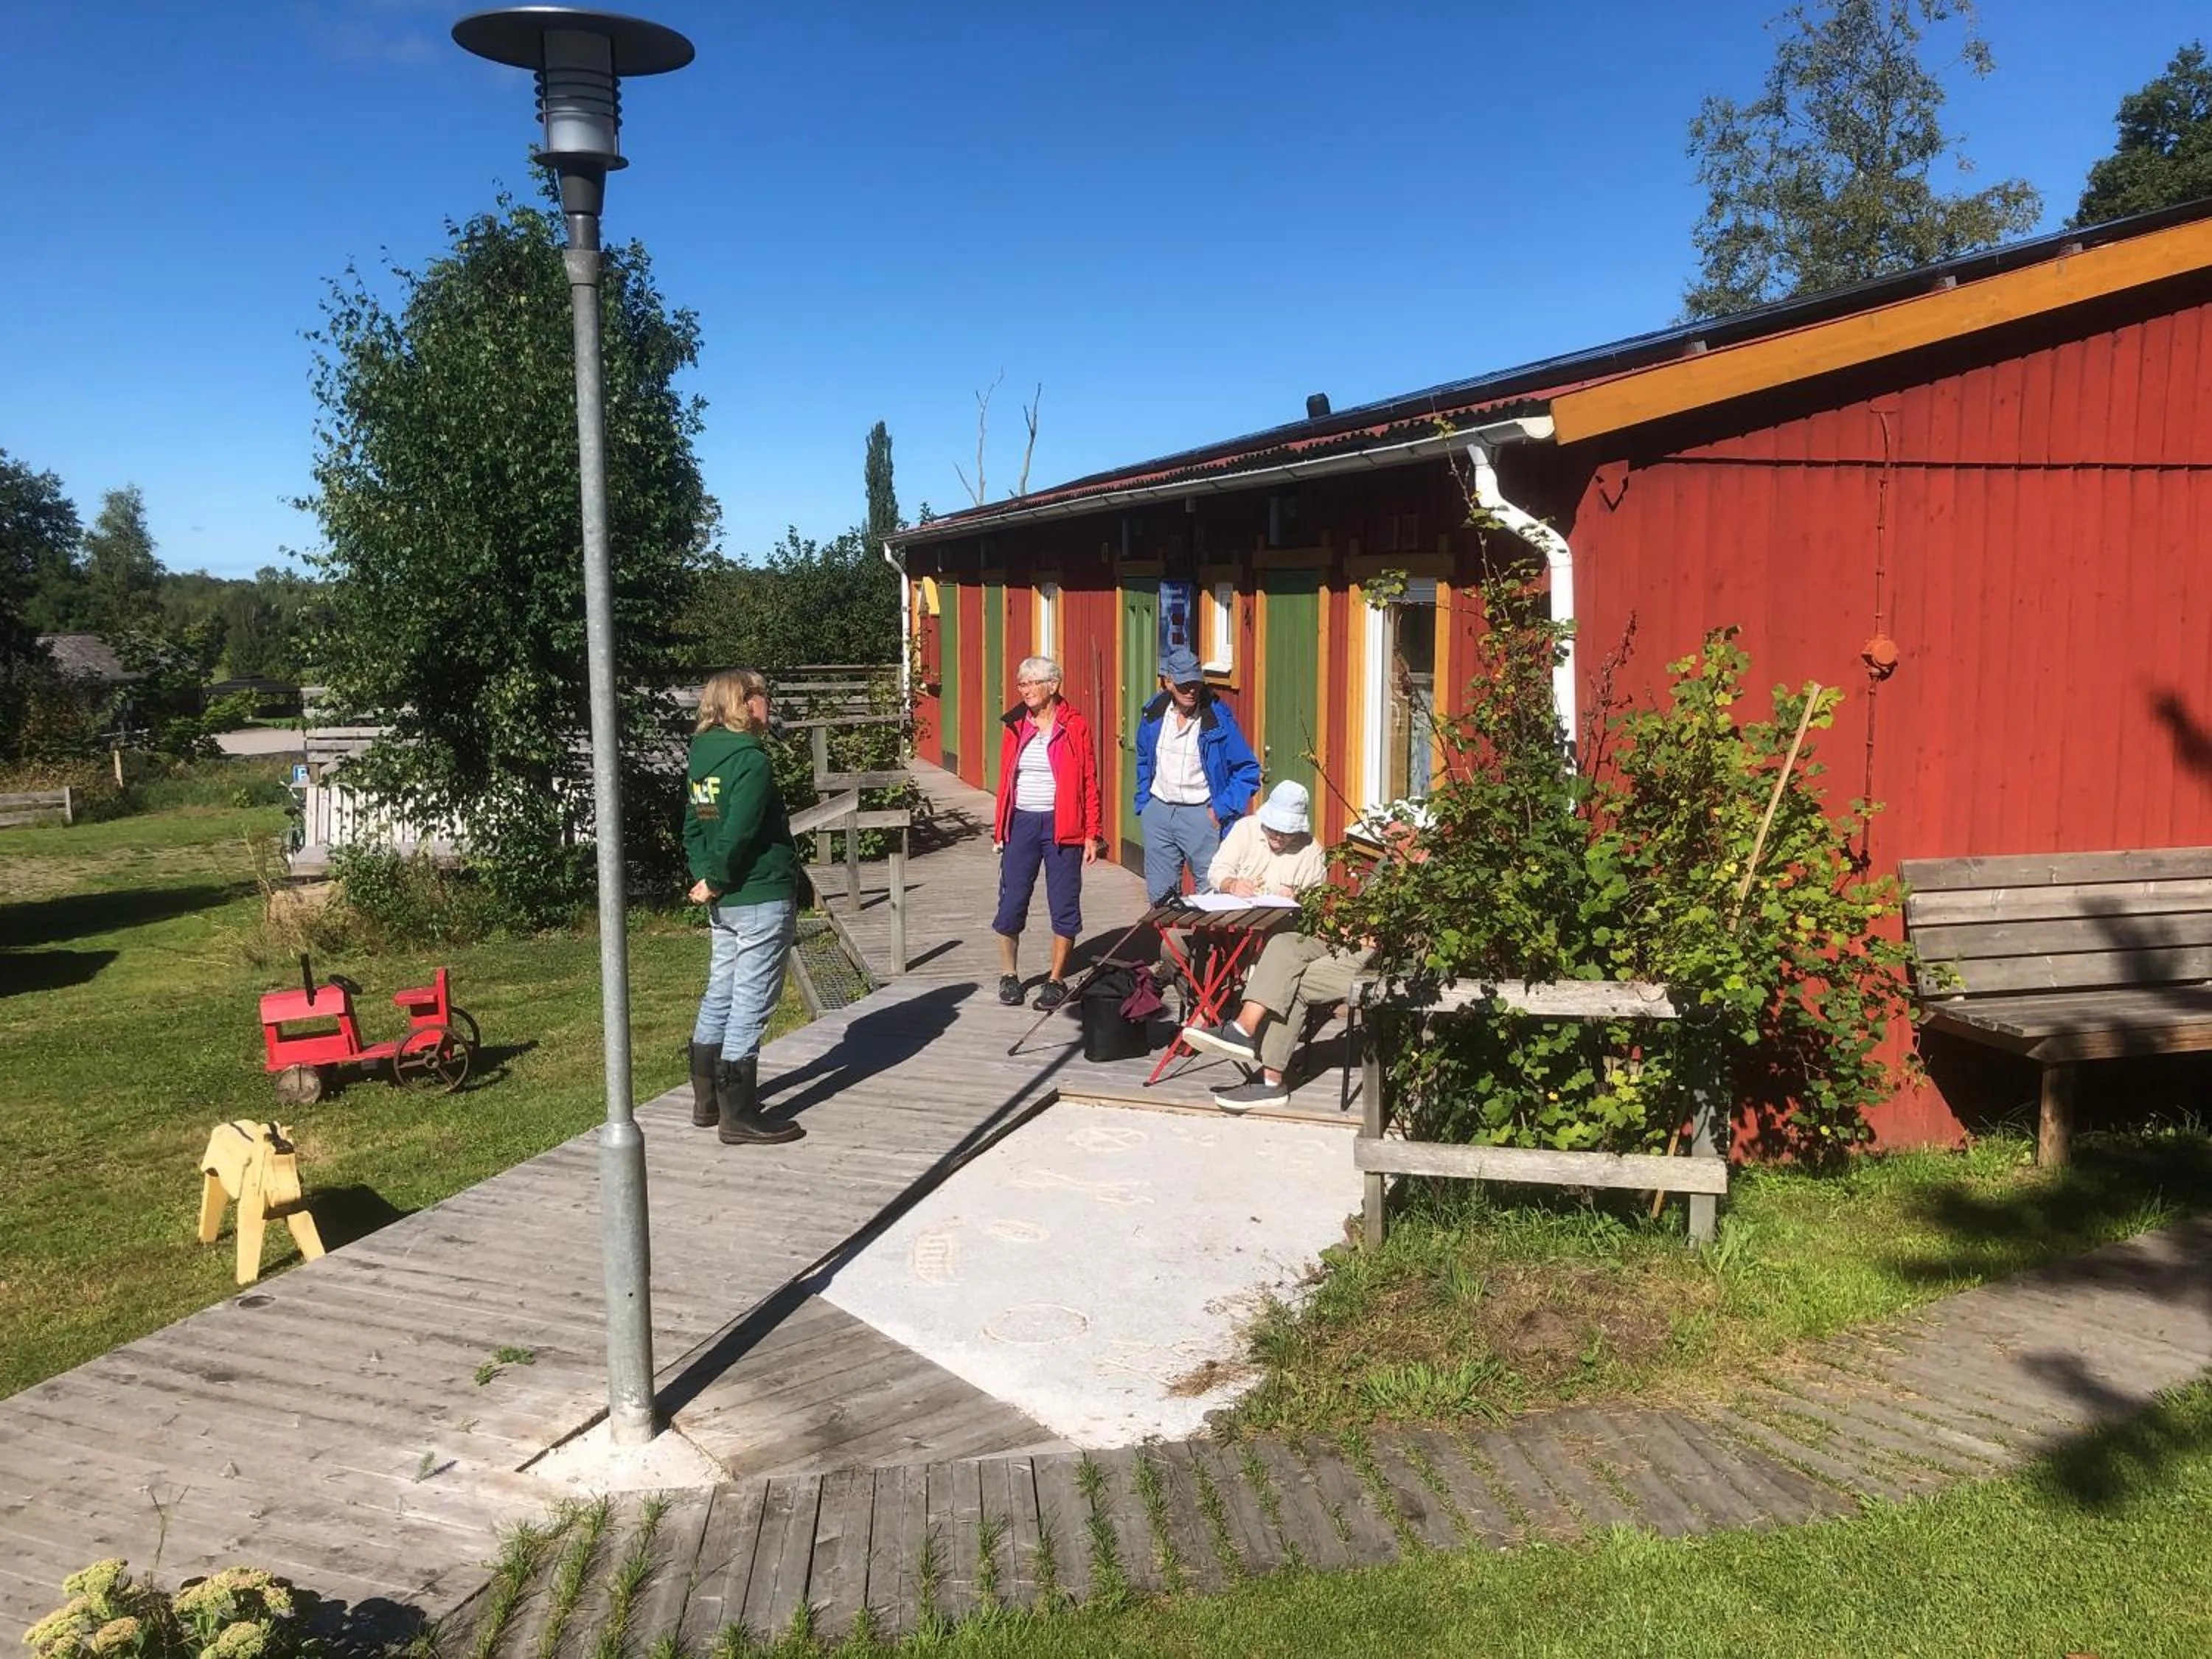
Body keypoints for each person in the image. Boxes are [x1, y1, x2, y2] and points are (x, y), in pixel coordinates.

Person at [684, 667, 805, 1146]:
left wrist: (707, 879)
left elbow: (696, 826)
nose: (767, 702)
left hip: (725, 899)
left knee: (721, 991)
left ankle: (706, 1102)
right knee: (751, 1002)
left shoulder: (701, 757)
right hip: (759, 893)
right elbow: (742, 829)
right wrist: (716, 876)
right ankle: (739, 1115)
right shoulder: (751, 761)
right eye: (762, 695)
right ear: (743, 700)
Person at [992, 653, 1104, 1010]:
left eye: (1031, 683)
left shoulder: (1075, 726)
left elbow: (1089, 780)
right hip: (1022, 822)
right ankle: (1009, 975)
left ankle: (1056, 980)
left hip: (1062, 824)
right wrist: (1000, 827)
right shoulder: (1015, 725)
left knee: (1064, 902)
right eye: (1021, 684)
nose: (1025, 690)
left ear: (1052, 686)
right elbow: (1007, 778)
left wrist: (1092, 832)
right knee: (1011, 902)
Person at [1133, 644, 1262, 905]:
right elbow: (1144, 759)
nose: (1191, 690)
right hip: (1158, 812)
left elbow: (1249, 770)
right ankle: (1173, 946)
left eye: (1196, 683)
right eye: (1184, 685)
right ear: (1168, 682)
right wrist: (1144, 804)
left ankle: (1209, 946)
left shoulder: (1218, 721)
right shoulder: (1153, 716)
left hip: (1201, 815)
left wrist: (1219, 810)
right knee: (1160, 897)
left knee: (1213, 892)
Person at [1208, 779, 1326, 899]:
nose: (1279, 836)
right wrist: (1232, 885)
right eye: (1273, 829)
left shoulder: (1311, 851)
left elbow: (1315, 899)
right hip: (1234, 911)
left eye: (1287, 832)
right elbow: (1218, 869)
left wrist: (1297, 899)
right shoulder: (1245, 829)